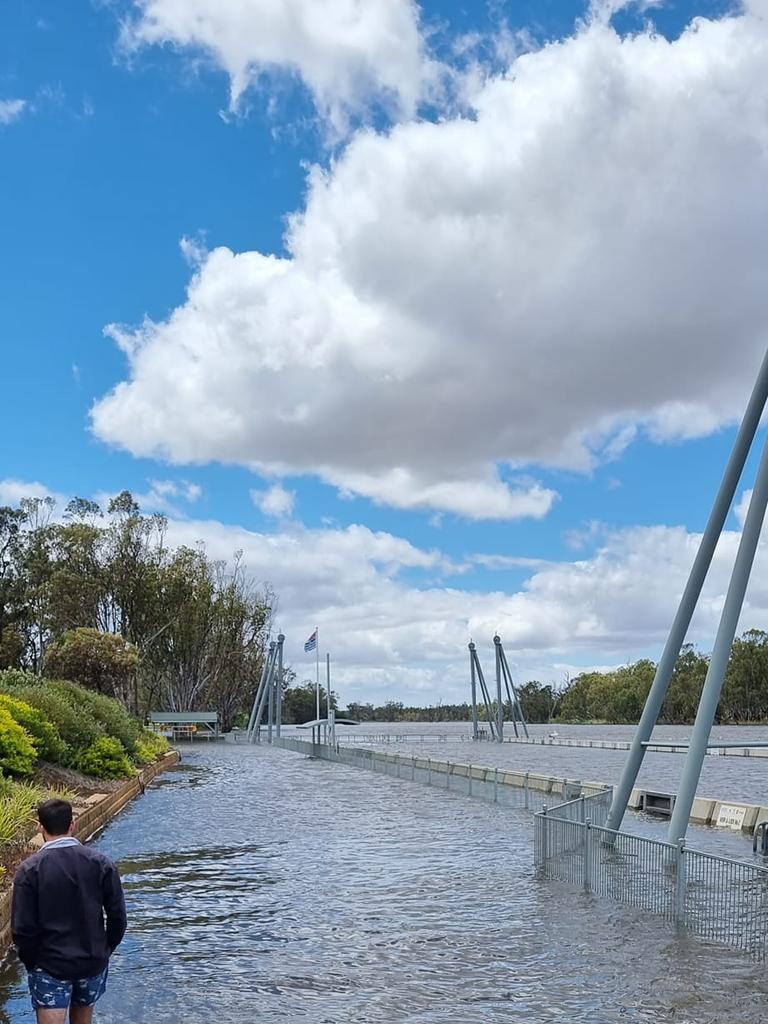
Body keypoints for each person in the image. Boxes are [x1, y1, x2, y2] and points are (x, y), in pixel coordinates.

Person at [11, 799, 127, 1024]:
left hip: (49, 964)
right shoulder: (101, 863)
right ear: (72, 824)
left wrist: (33, 962)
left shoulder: (29, 870)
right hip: (92, 960)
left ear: (40, 827)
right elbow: (117, 918)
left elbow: (22, 929)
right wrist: (105, 949)